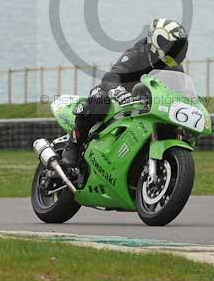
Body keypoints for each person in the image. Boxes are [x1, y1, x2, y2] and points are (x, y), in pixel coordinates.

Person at [61, 18, 189, 168]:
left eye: (179, 47)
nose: (176, 51)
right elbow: (111, 77)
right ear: (157, 41)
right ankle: (73, 145)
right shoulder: (137, 54)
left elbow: (178, 95)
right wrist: (117, 91)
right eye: (173, 47)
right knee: (100, 101)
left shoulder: (175, 69)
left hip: (144, 107)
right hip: (116, 94)